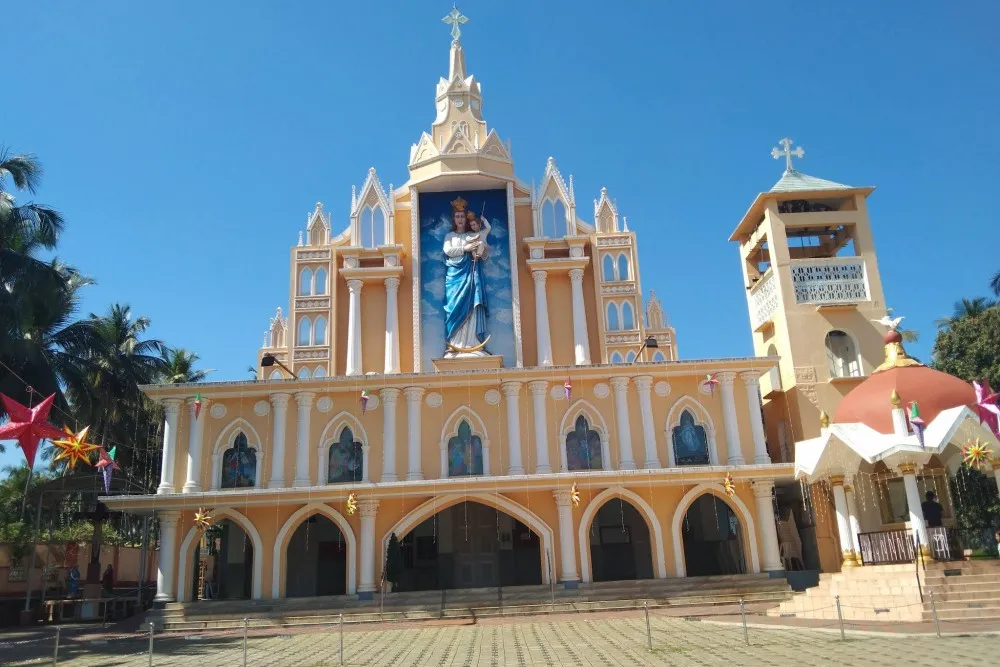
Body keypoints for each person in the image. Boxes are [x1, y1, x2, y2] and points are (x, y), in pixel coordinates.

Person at [442, 197, 489, 355]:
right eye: (457, 216)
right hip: (454, 276)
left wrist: (478, 250)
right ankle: (454, 341)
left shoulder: (472, 234)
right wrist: (465, 247)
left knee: (472, 302)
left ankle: (472, 341)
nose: (460, 219)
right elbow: (448, 250)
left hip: (469, 273)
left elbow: (483, 250)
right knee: (453, 307)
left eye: (462, 216)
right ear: (454, 219)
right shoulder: (450, 236)